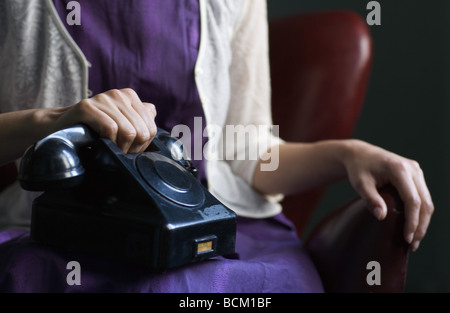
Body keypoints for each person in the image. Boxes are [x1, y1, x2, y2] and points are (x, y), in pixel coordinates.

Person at [0, 0, 433, 292]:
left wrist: (349, 154)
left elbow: (251, 153)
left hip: (218, 232)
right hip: (58, 237)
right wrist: (51, 121)